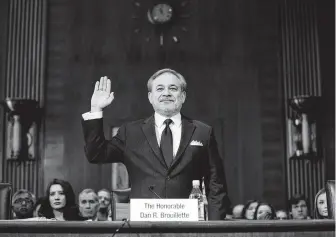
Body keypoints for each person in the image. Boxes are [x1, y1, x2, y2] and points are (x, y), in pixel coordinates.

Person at [81, 68, 231, 220]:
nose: (166, 93)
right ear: (150, 97)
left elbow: (216, 186)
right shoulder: (130, 132)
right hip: (143, 227)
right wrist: (96, 109)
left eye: (173, 88)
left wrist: (213, 228)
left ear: (183, 96)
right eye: (160, 89)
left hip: (188, 226)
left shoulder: (203, 132)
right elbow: (96, 154)